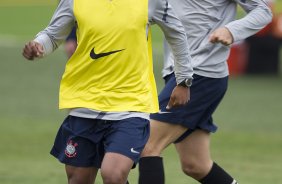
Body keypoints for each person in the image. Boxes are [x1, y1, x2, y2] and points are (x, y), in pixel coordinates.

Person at [22, 0, 193, 183]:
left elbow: (176, 33)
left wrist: (183, 80)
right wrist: (39, 45)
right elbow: (53, 35)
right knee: (78, 179)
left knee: (113, 174)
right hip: (84, 102)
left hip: (131, 103)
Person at [138, 0, 272, 184]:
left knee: (147, 144)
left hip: (200, 74)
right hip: (179, 73)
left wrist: (231, 30)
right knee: (196, 165)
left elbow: (263, 11)